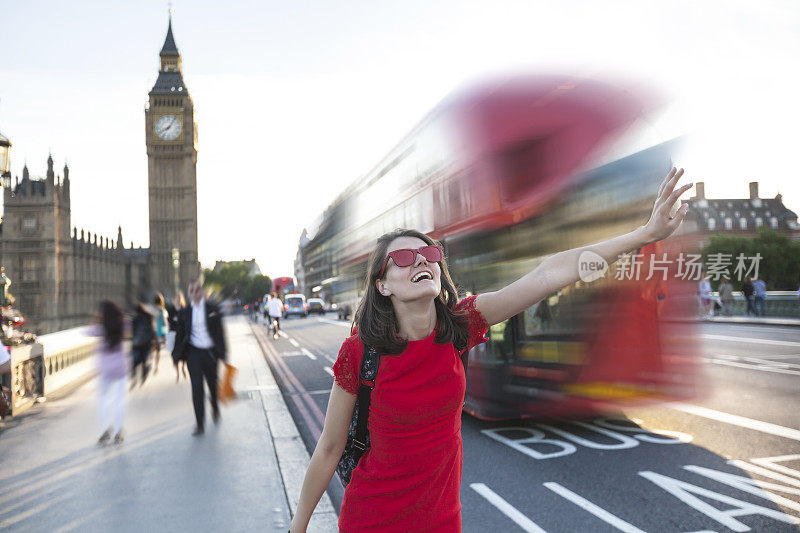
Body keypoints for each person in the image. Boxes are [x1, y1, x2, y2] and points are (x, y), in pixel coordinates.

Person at [289, 169, 693, 532]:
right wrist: (299, 527)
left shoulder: (462, 324)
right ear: (382, 285)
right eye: (404, 257)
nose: (422, 260)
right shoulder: (360, 352)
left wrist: (643, 234)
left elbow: (551, 272)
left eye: (429, 253)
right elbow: (329, 448)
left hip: (443, 523)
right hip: (371, 521)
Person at [172, 279, 228, 436]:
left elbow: (220, 333)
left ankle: (215, 406)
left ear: (202, 292)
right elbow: (180, 334)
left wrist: (224, 354)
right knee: (196, 387)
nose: (195, 293)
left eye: (197, 290)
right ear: (189, 294)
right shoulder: (185, 312)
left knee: (212, 384)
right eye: (192, 291)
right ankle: (199, 424)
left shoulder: (212, 308)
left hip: (210, 352)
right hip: (193, 352)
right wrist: (175, 356)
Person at [87, 300, 129, 445]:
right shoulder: (121, 324)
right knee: (119, 402)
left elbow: (86, 332)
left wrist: (96, 320)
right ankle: (118, 432)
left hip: (105, 371)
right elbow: (130, 325)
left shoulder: (100, 329)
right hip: (120, 369)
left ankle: (105, 429)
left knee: (103, 401)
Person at [130, 302, 155, 388]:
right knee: (144, 361)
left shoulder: (135, 319)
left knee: (135, 361)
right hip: (146, 344)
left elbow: (133, 333)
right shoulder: (148, 317)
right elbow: (152, 331)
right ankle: (144, 375)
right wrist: (153, 342)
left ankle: (134, 376)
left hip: (136, 344)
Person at [151, 293, 169, 374]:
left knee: (152, 348)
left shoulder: (151, 310)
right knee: (158, 350)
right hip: (159, 332)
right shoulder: (163, 311)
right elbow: (165, 323)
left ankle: (149, 360)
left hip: (152, 332)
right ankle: (156, 366)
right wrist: (165, 335)